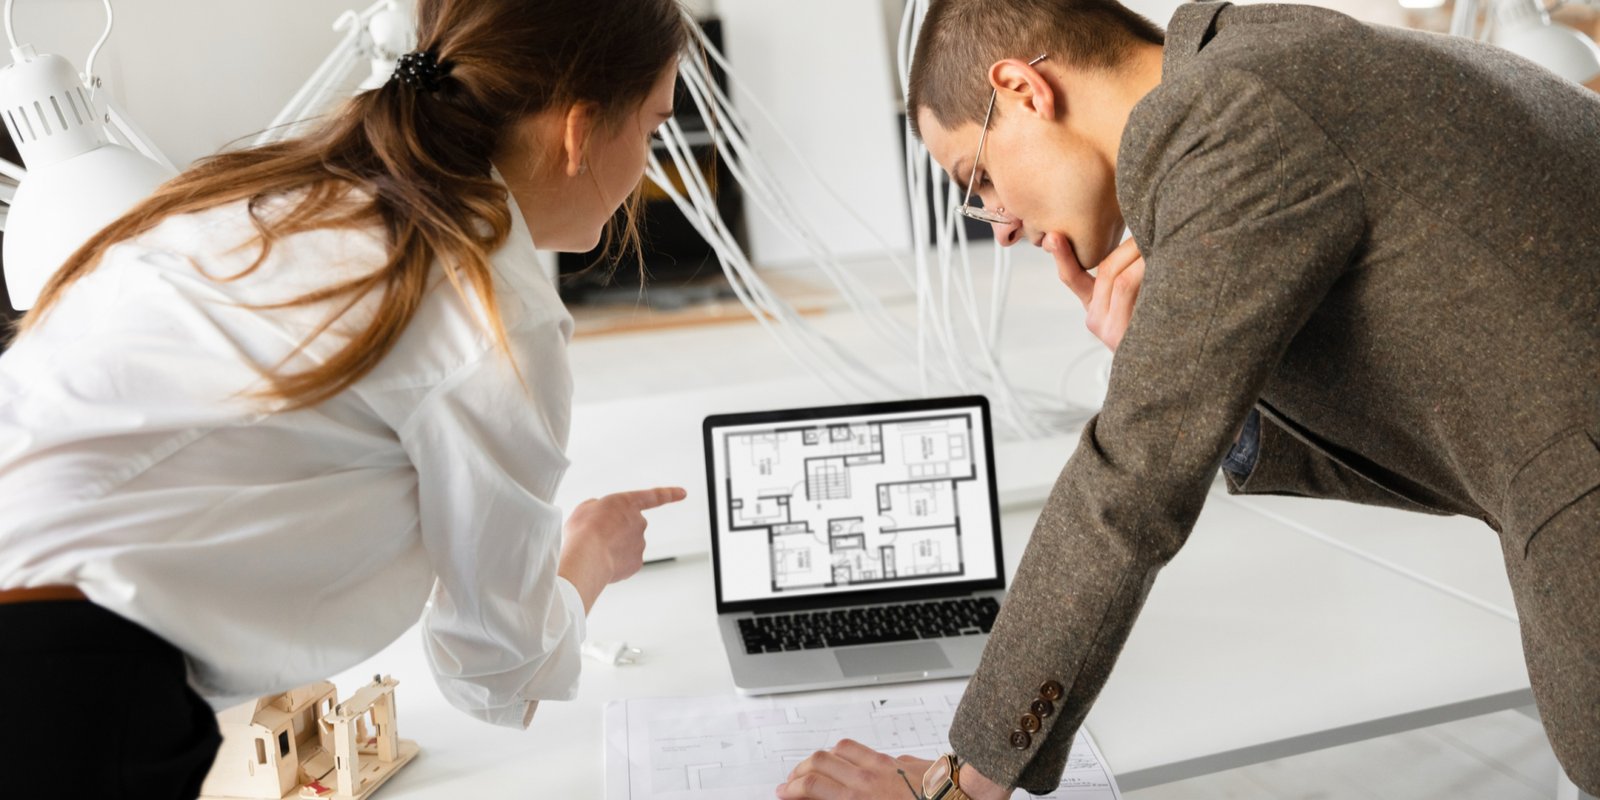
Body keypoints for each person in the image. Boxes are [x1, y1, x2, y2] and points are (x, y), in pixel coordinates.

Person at [776, 0, 1600, 797]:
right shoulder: (1269, 68)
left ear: (1023, 91)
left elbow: (1132, 481)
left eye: (979, 177)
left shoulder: (1225, 113)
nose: (997, 223)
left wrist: (955, 785)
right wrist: (1168, 353)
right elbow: (1455, 408)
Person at [0, 1, 691, 797]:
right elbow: (497, 670)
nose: (647, 159)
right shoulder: (490, 305)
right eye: (652, 127)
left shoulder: (273, 194)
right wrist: (588, 561)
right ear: (579, 132)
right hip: (53, 678)